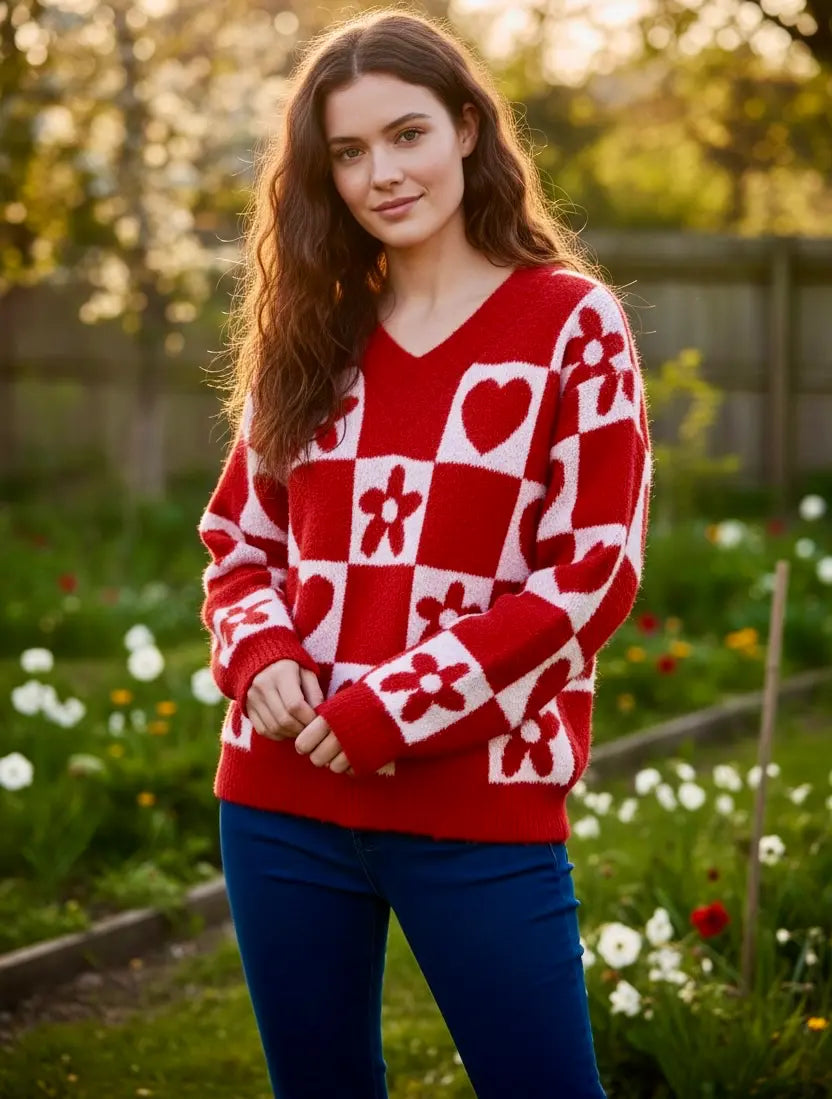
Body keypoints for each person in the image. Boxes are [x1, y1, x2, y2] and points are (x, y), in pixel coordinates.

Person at [197, 8, 651, 1098]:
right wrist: (260, 660)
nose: (381, 174)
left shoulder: (569, 324)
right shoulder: (313, 327)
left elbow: (591, 572)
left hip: (476, 803)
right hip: (278, 804)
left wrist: (388, 709)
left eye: (406, 135)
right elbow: (238, 540)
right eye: (347, 152)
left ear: (464, 128)